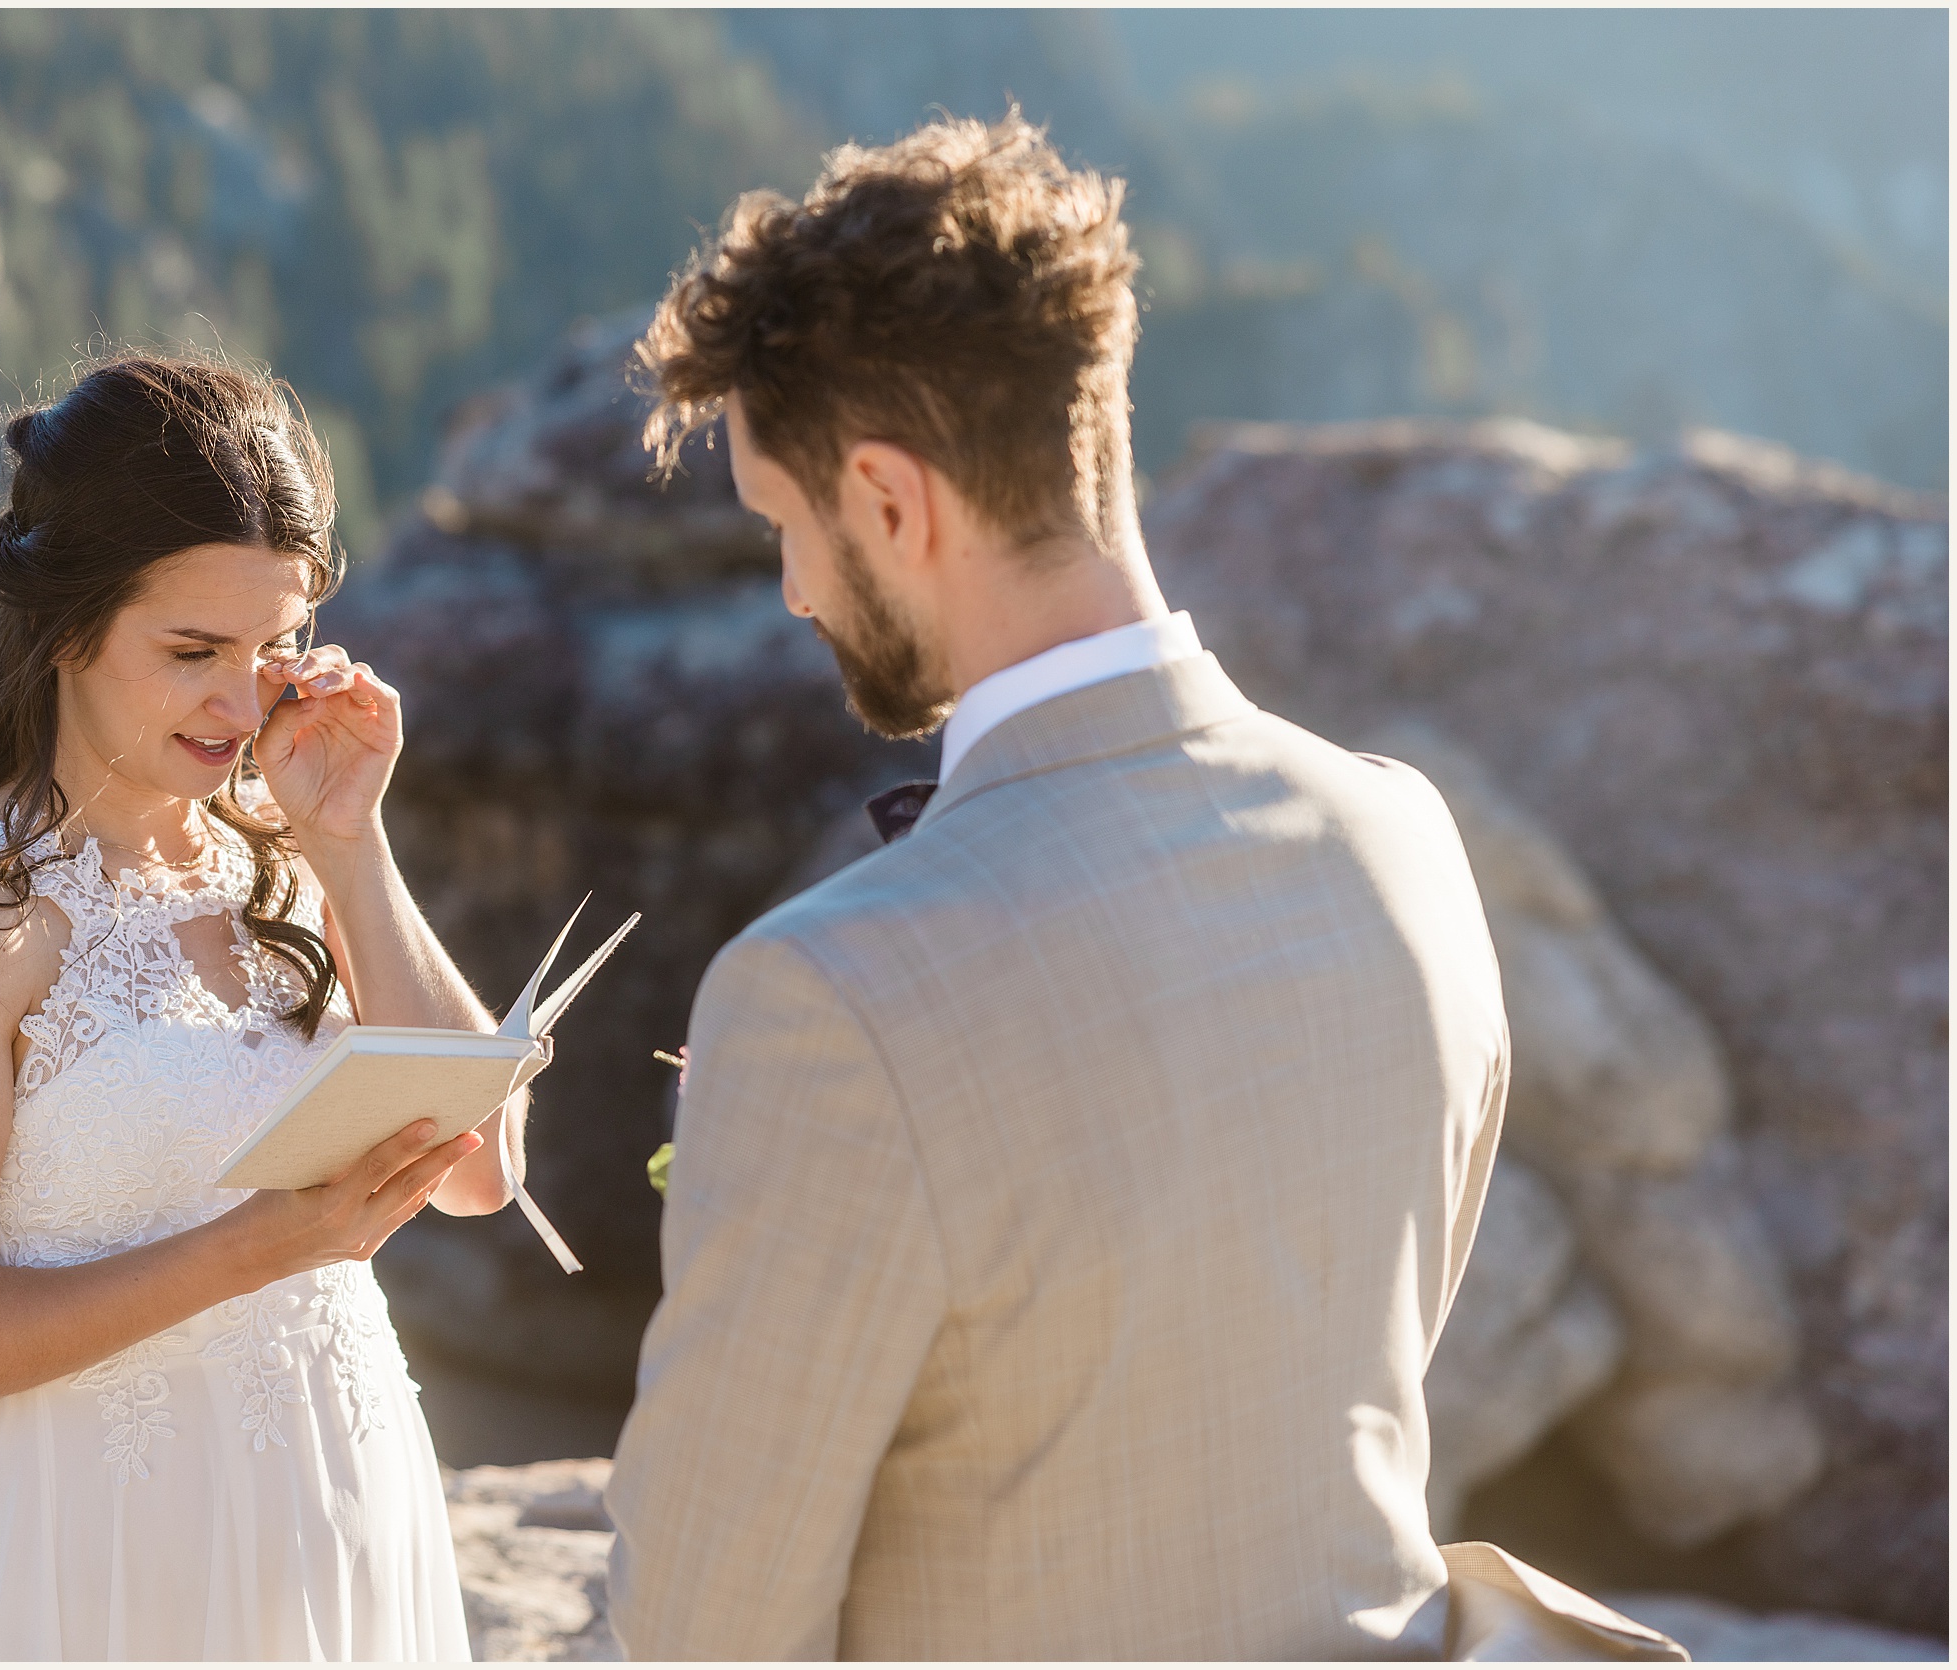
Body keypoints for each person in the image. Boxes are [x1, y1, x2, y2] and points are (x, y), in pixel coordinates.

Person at [605, 113, 1684, 1661]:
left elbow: (706, 1632)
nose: (790, 586)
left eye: (788, 525)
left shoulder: (825, 998)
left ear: (892, 502)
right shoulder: (1408, 841)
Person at [0, 355, 501, 1660]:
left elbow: (481, 1172)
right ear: (72, 624)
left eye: (278, 647)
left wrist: (354, 849)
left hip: (346, 1511)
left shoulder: (288, 842)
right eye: (194, 651)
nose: (247, 702)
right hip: (99, 1569)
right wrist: (252, 1248)